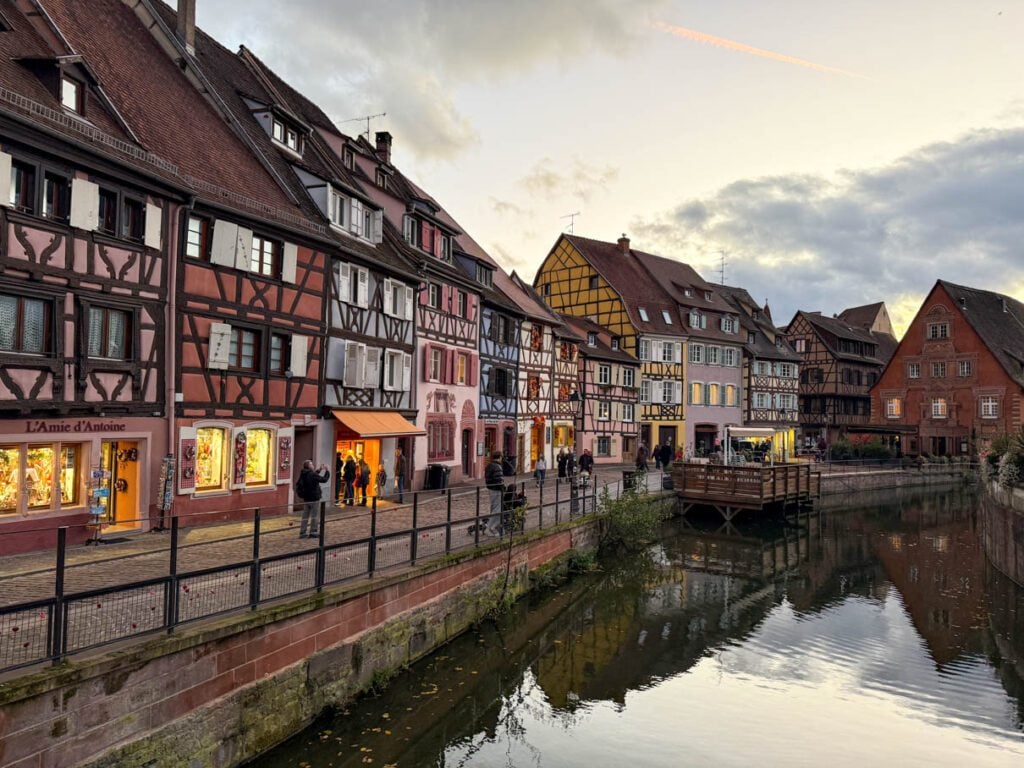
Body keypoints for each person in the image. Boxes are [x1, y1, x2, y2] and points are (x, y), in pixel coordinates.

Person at [295, 460, 329, 539]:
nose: (313, 465)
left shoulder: (303, 473)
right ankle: (313, 531)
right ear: (309, 466)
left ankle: (302, 532)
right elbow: (324, 479)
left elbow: (313, 476)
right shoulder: (312, 474)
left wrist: (319, 470)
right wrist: (327, 471)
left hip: (306, 498)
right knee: (314, 516)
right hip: (314, 498)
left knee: (305, 516)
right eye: (311, 464)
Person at [484, 451, 505, 537]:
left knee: (494, 508)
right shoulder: (497, 466)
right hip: (496, 490)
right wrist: (503, 487)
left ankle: (492, 527)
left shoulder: (489, 465)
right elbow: (499, 479)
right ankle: (489, 528)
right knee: (497, 509)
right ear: (500, 457)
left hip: (490, 488)